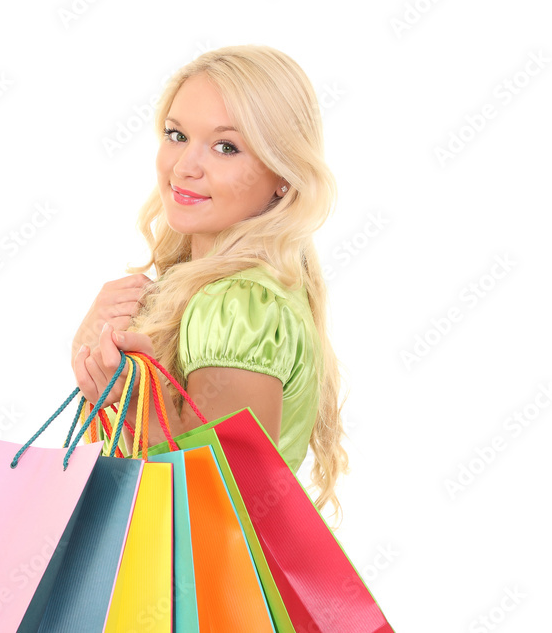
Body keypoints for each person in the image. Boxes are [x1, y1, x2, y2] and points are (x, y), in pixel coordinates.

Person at [71, 44, 349, 521]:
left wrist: (140, 402)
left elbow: (226, 506)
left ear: (282, 173)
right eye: (176, 135)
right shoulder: (205, 291)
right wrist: (91, 353)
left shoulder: (239, 304)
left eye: (225, 147)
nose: (184, 166)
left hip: (204, 595)